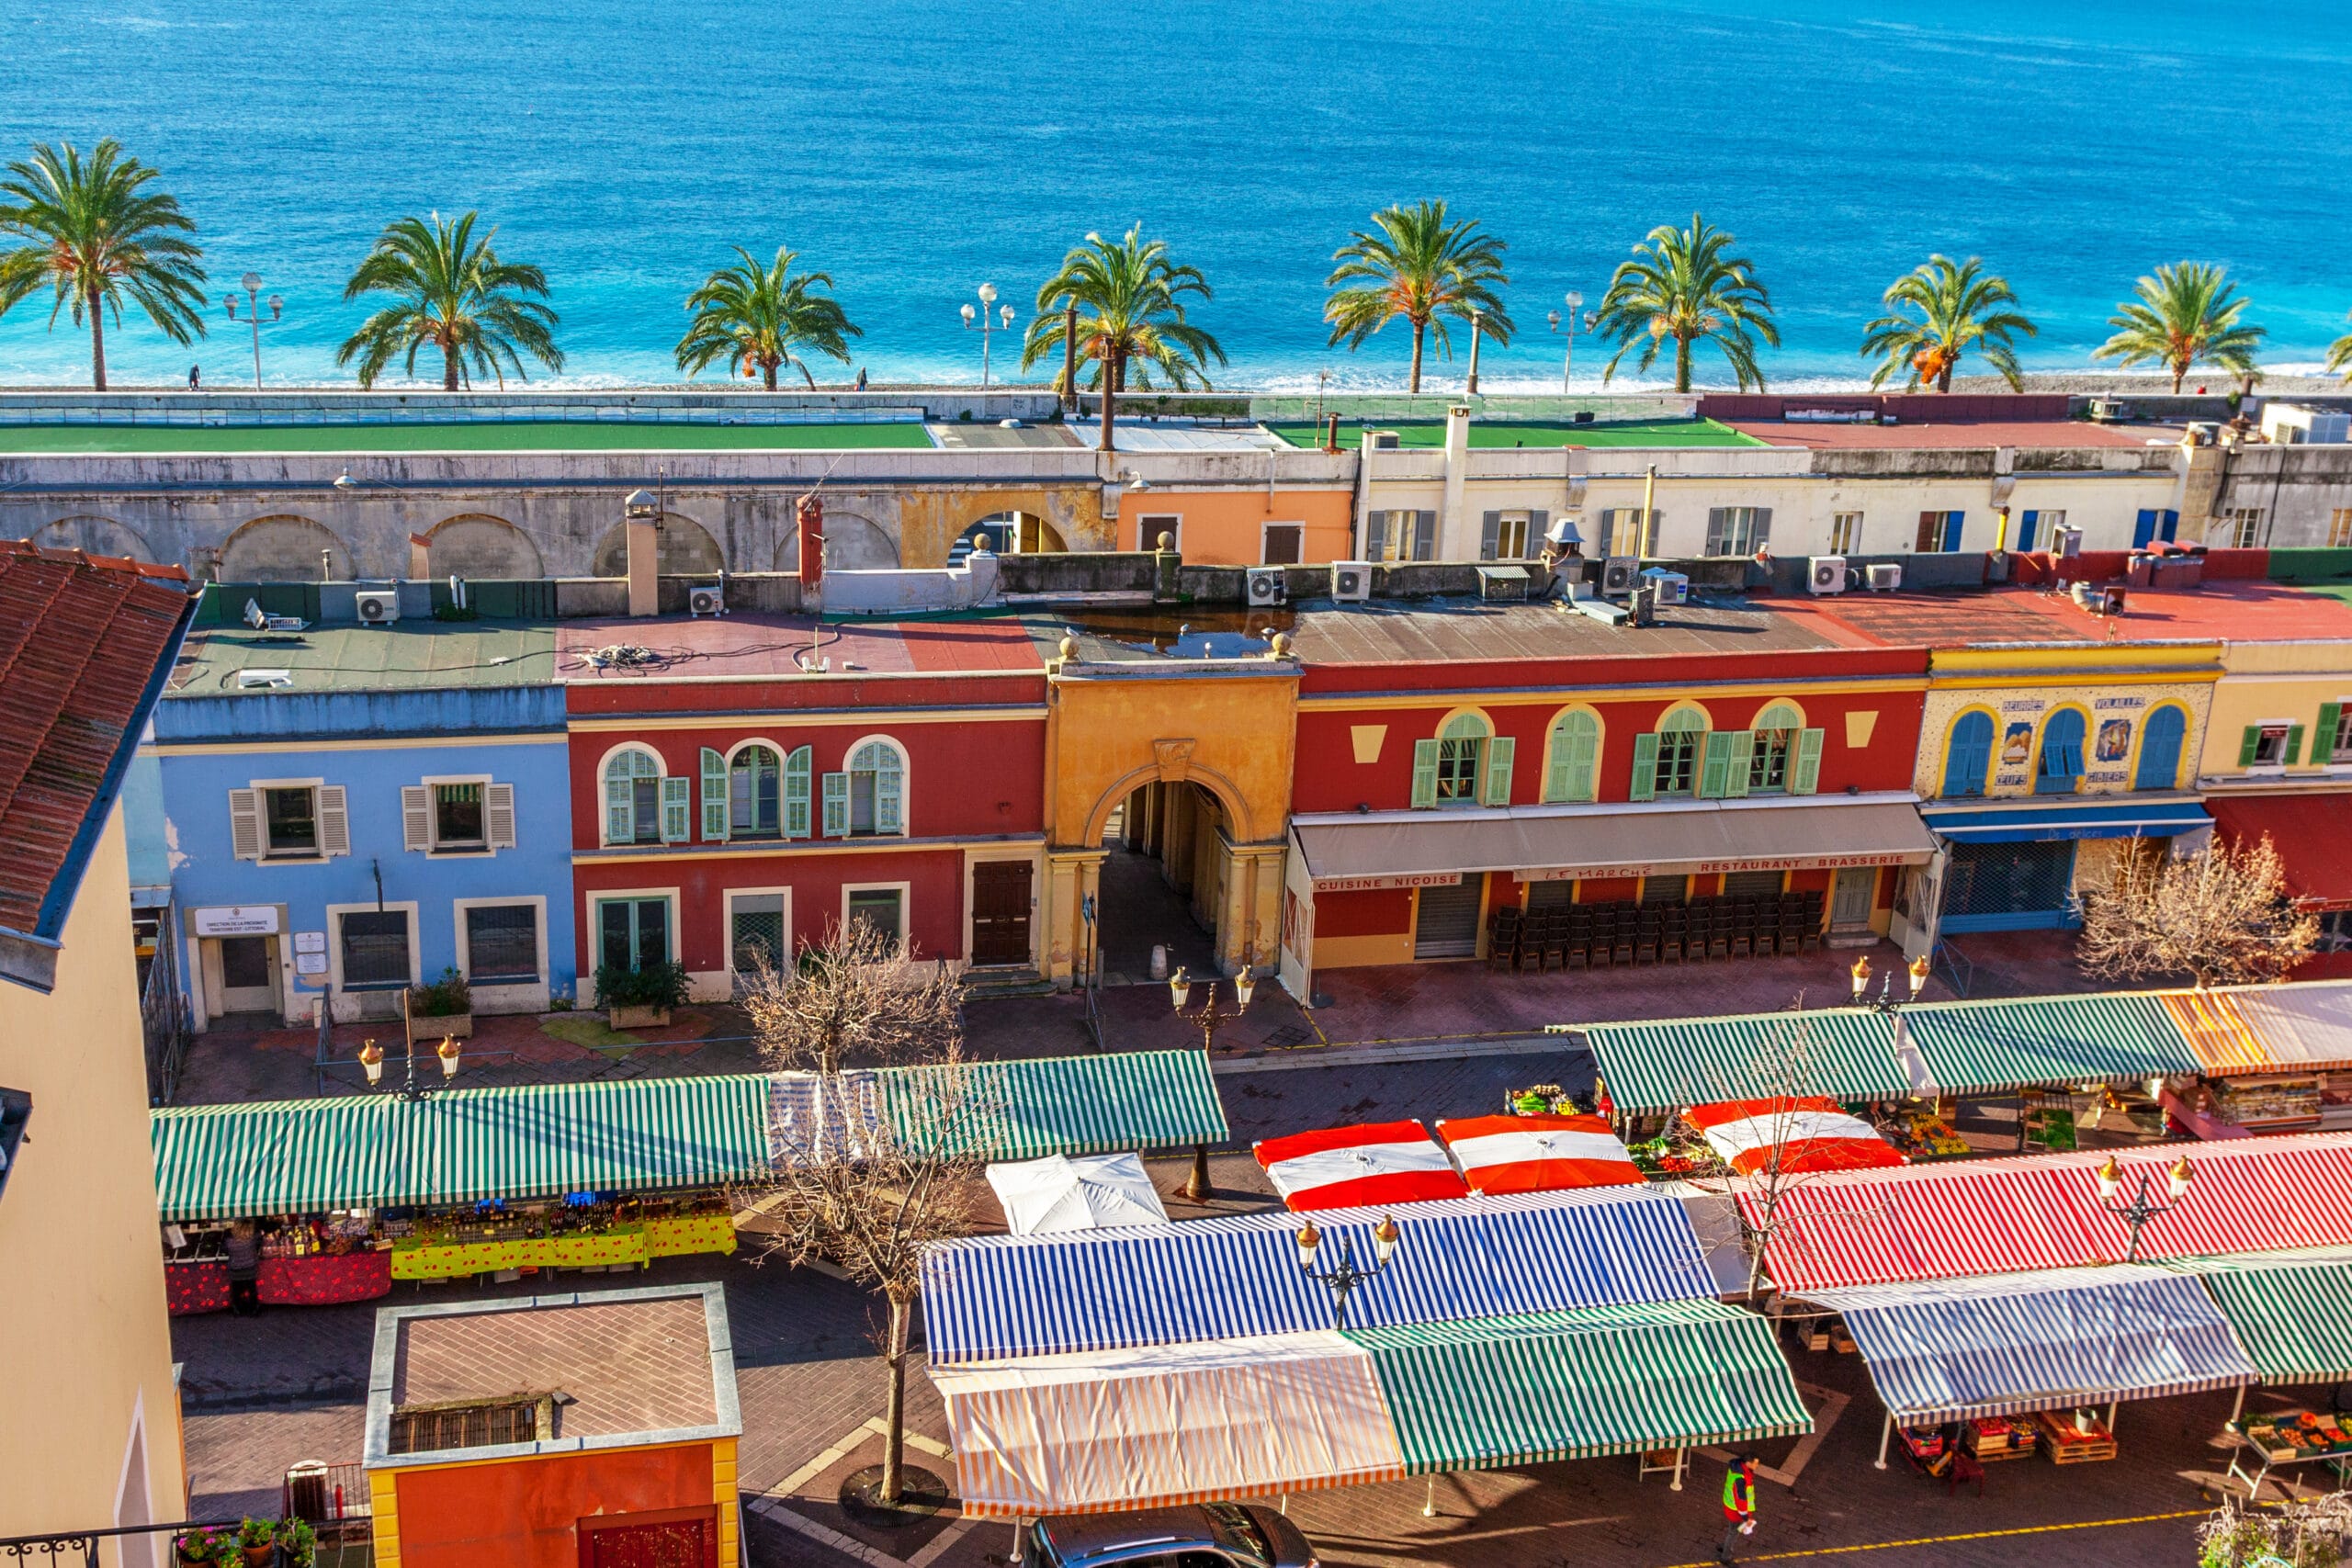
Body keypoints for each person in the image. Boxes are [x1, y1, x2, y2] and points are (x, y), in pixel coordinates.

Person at [1716, 1456, 1757, 1561]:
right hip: (1737, 1512)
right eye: (1755, 1463)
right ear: (1748, 1463)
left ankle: (1724, 1546)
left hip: (1730, 1507)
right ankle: (1726, 1556)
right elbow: (1741, 1499)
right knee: (1734, 1532)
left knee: (1732, 1530)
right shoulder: (1741, 1479)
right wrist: (1746, 1517)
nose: (1757, 1465)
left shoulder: (1735, 1469)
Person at [224, 1219, 261, 1316]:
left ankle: (237, 1309)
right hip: (250, 1267)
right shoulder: (252, 1239)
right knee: (252, 1289)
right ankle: (254, 1309)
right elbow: (259, 1242)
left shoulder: (229, 1241)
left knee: (236, 1291)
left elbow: (224, 1250)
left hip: (235, 1269)